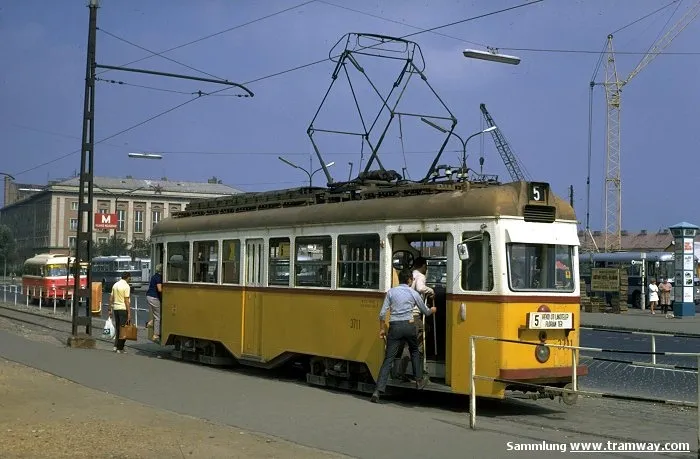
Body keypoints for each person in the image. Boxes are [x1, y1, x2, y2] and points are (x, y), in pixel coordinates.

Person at [371, 268, 437, 404]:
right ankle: (418, 380)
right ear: (409, 280)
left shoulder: (391, 292)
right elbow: (425, 311)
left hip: (394, 326)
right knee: (414, 351)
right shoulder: (413, 293)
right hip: (409, 325)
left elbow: (382, 313)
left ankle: (378, 391)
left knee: (388, 359)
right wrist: (432, 310)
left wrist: (382, 329)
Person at [396, 257, 434, 381]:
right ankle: (417, 373)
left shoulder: (411, 275)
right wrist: (431, 290)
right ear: (423, 266)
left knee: (412, 342)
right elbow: (420, 288)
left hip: (407, 314)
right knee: (415, 344)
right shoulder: (420, 276)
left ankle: (403, 371)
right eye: (426, 266)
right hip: (415, 315)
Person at [109, 271, 131, 353]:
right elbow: (126, 300)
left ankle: (115, 346)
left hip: (116, 309)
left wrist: (109, 309)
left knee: (118, 328)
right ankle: (120, 348)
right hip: (123, 309)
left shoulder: (115, 285)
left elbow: (111, 298)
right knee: (123, 329)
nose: (130, 279)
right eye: (130, 278)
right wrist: (129, 313)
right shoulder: (126, 286)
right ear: (128, 277)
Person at [146, 264, 163, 342]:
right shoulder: (159, 277)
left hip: (149, 296)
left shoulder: (154, 276)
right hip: (154, 297)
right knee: (158, 317)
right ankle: (156, 335)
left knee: (155, 313)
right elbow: (159, 289)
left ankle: (150, 323)